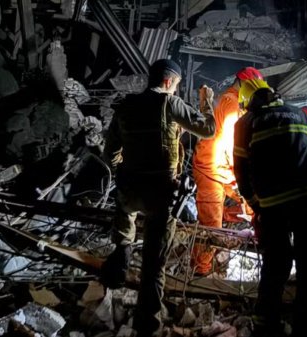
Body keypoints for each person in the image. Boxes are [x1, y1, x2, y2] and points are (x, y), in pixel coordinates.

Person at [101, 59, 216, 337]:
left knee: (124, 213)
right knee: (153, 267)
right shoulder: (169, 104)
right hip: (160, 192)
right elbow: (208, 129)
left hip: (130, 190)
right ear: (168, 83)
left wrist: (122, 173)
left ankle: (123, 246)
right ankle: (147, 327)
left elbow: (110, 152)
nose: (175, 91)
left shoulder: (126, 107)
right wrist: (206, 103)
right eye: (176, 86)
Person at [233, 79, 307, 336]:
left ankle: (265, 325)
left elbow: (241, 170)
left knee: (275, 265)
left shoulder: (246, 123)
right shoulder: (300, 114)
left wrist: (254, 202)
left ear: (249, 102)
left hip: (274, 207)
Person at [191, 67, 263, 275]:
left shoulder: (232, 101)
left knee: (251, 205)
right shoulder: (230, 103)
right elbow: (233, 145)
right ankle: (200, 272)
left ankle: (247, 234)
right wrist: (241, 176)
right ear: (243, 83)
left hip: (221, 167)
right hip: (211, 169)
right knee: (210, 224)